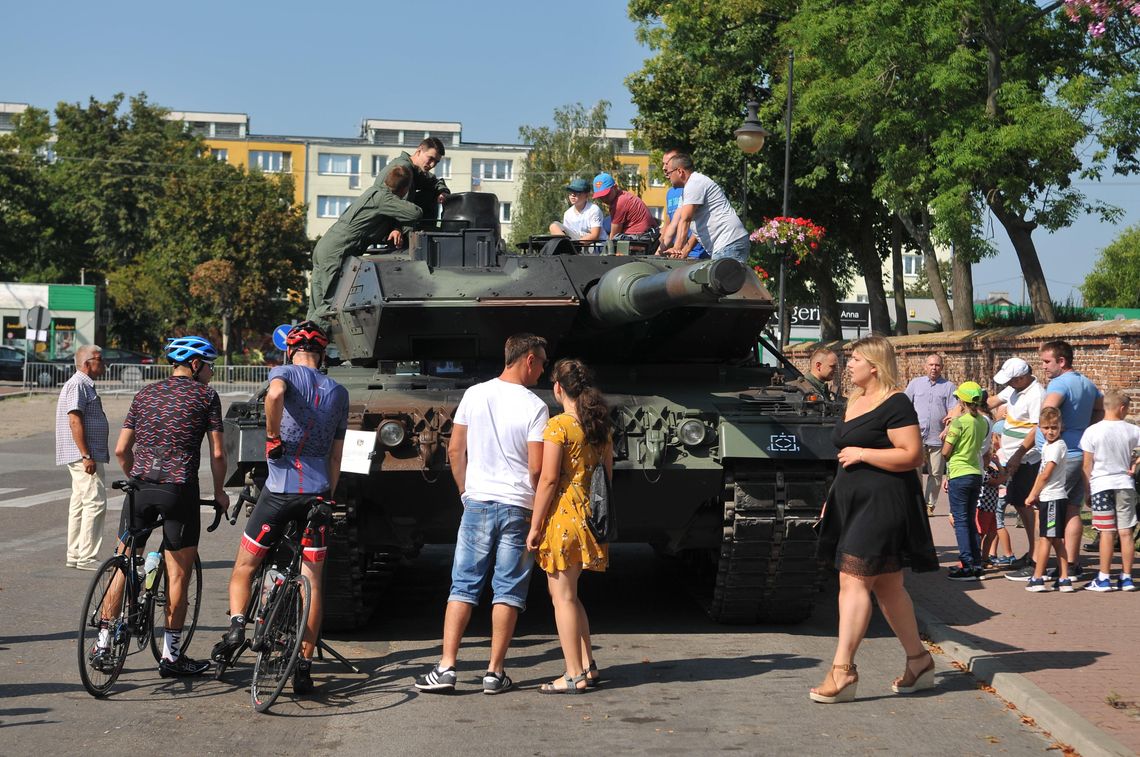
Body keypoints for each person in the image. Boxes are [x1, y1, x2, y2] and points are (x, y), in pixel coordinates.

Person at [213, 321, 348, 694]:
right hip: (318, 493)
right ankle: (303, 665)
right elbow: (336, 456)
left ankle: (238, 625)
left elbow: (274, 396)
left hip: (280, 492)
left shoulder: (283, 372)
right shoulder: (339, 391)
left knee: (245, 565)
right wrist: (328, 497)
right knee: (313, 583)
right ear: (322, 355)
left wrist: (272, 438)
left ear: (291, 351)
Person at [415, 334, 550, 695]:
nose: (543, 370)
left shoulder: (474, 394)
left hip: (478, 503)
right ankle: (494, 672)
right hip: (519, 505)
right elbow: (536, 469)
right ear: (529, 361)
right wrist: (538, 508)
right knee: (507, 590)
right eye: (542, 363)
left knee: (463, 586)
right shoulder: (536, 406)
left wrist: (465, 492)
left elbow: (456, 450)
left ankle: (446, 668)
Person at [812, 335, 938, 704]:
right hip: (852, 502)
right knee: (888, 586)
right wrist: (832, 498)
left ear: (875, 366)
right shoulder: (855, 400)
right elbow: (845, 457)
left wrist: (864, 453)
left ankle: (843, 670)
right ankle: (919, 661)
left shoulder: (896, 403)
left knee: (852, 578)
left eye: (854, 359)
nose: (847, 364)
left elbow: (912, 454)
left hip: (885, 504)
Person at [106, 336, 229, 677]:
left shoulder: (145, 393)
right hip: (178, 490)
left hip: (139, 487)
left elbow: (120, 450)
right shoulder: (206, 396)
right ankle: (172, 657)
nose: (211, 372)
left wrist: (139, 478)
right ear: (195, 365)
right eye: (209, 365)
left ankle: (103, 642)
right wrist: (220, 493)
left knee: (123, 562)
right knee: (178, 573)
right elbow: (218, 453)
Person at [526, 358, 612, 694]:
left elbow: (547, 480)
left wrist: (534, 527)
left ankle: (573, 674)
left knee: (561, 599)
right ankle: (588, 666)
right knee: (571, 597)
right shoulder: (601, 427)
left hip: (563, 519)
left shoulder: (558, 426)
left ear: (558, 388)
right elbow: (607, 477)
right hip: (589, 518)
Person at [307, 164, 422, 323]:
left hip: (325, 247)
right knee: (329, 306)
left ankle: (301, 343)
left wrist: (394, 227)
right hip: (337, 252)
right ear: (404, 189)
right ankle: (311, 346)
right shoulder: (384, 199)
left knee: (315, 307)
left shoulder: (372, 193)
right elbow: (415, 213)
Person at [988, 358, 1046, 580]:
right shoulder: (1014, 388)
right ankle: (1032, 552)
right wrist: (967, 406)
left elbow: (1035, 429)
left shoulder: (1036, 395)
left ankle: (1035, 557)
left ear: (1022, 377)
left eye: (1012, 380)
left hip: (1027, 461)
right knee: (1020, 505)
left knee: (1029, 506)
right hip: (1012, 459)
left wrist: (1018, 454)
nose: (1009, 384)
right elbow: (993, 400)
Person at [1079, 390, 1140, 592]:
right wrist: (1135, 464)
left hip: (1101, 484)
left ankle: (1104, 577)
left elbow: (1087, 465)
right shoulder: (1132, 430)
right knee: (1126, 531)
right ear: (1122, 408)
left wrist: (1087, 490)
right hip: (1124, 483)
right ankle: (1127, 577)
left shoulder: (1092, 431)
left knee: (1106, 532)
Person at [55, 344, 109, 571]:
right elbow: (74, 420)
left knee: (79, 503)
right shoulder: (78, 384)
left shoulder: (83, 385)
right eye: (100, 359)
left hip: (84, 453)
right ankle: (87, 557)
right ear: (87, 363)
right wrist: (86, 454)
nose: (104, 363)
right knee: (95, 501)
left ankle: (75, 554)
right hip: (83, 455)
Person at [660, 152, 749, 263]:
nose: (667, 176)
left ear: (679, 171)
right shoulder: (688, 188)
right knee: (727, 279)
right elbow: (688, 225)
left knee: (722, 280)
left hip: (728, 242)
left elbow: (686, 220)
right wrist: (685, 250)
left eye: (669, 172)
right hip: (728, 243)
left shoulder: (694, 184)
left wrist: (677, 248)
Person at [942, 381, 991, 580]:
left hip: (959, 473)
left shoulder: (959, 422)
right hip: (975, 473)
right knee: (970, 520)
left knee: (960, 521)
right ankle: (977, 562)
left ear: (961, 400)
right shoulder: (982, 421)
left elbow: (946, 451)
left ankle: (967, 564)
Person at [1023, 407, 1073, 592]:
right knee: (1056, 540)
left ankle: (1038, 577)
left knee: (1045, 539)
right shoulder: (1046, 446)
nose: (1050, 431)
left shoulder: (1057, 447)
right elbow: (1040, 473)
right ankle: (1064, 578)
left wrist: (1032, 494)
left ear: (1061, 427)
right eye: (1046, 427)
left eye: (1054, 427)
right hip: (1047, 497)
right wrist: (1035, 492)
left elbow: (1046, 474)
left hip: (1053, 498)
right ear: (1040, 428)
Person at [904, 354, 957, 516]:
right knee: (915, 470)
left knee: (935, 473)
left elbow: (953, 411)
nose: (934, 368)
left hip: (938, 436)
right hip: (916, 436)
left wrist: (947, 429)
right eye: (931, 365)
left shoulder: (949, 387)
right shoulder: (915, 384)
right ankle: (916, 501)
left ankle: (929, 505)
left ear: (942, 367)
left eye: (937, 365)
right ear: (925, 366)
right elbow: (904, 405)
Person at [377, 136, 452, 220]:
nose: (432, 165)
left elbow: (434, 181)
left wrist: (442, 192)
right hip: (384, 224)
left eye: (436, 162)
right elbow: (403, 210)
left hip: (392, 219)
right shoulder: (404, 168)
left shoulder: (414, 169)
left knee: (432, 192)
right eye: (430, 159)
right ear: (419, 151)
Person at [590, 172, 659, 251]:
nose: (604, 199)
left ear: (615, 187)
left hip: (640, 240)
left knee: (608, 247)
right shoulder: (623, 197)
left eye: (607, 195)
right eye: (601, 197)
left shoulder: (619, 203)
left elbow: (614, 236)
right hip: (644, 237)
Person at [658, 149, 706, 260]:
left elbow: (688, 220)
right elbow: (671, 225)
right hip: (683, 252)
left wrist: (680, 250)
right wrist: (658, 252)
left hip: (697, 252)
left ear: (679, 168)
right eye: (663, 164)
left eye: (668, 164)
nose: (664, 168)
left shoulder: (694, 185)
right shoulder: (672, 192)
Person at [548, 178, 605, 243]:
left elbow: (595, 236)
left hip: (595, 246)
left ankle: (568, 248)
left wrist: (575, 245)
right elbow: (567, 235)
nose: (572, 195)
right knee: (554, 226)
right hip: (576, 245)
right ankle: (566, 247)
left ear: (587, 195)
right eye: (570, 192)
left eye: (577, 192)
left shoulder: (593, 209)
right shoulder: (567, 213)